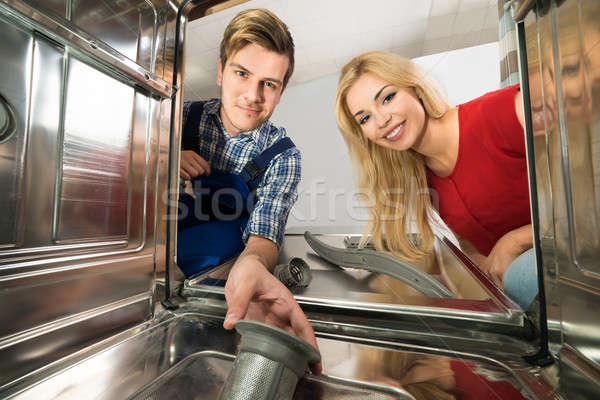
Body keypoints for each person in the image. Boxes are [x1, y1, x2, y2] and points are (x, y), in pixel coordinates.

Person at [334, 51, 537, 310]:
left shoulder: (502, 112)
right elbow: (470, 243)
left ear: (415, 89)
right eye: (365, 118)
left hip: (575, 266)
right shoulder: (423, 179)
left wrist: (516, 241)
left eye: (387, 97)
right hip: (530, 304)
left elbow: (587, 193)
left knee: (520, 278)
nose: (382, 120)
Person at [177, 8, 320, 372]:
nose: (253, 96)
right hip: (153, 273)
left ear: (281, 91)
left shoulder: (283, 156)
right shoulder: (174, 119)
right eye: (242, 73)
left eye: (269, 83)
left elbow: (263, 238)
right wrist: (159, 159)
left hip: (220, 289)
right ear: (221, 70)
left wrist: (254, 266)